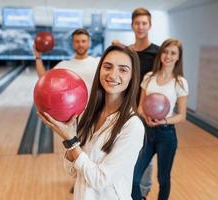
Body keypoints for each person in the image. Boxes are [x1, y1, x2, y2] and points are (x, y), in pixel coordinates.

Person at [38, 44, 145, 200]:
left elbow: (100, 179)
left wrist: (71, 141)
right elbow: (72, 170)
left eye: (123, 69)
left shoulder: (132, 126)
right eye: (107, 67)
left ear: (132, 76)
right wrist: (69, 139)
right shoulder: (90, 114)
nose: (113, 75)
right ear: (100, 70)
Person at [131, 38, 189, 200]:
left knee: (163, 179)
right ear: (160, 53)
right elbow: (140, 106)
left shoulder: (180, 82)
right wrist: (146, 117)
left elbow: (181, 116)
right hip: (147, 133)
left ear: (178, 57)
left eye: (173, 53)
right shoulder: (149, 77)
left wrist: (163, 121)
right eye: (165, 51)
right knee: (134, 178)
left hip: (166, 135)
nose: (168, 56)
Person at [129, 7, 160, 198]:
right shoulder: (128, 52)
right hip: (126, 110)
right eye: (137, 23)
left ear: (150, 25)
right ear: (132, 25)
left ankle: (143, 193)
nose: (140, 27)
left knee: (146, 155)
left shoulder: (157, 53)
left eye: (144, 23)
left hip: (147, 112)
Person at [33, 28, 99, 94]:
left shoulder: (98, 62)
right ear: (72, 43)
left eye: (83, 41)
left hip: (93, 104)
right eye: (77, 41)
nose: (80, 44)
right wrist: (38, 56)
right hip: (72, 104)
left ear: (89, 43)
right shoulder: (63, 65)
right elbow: (43, 78)